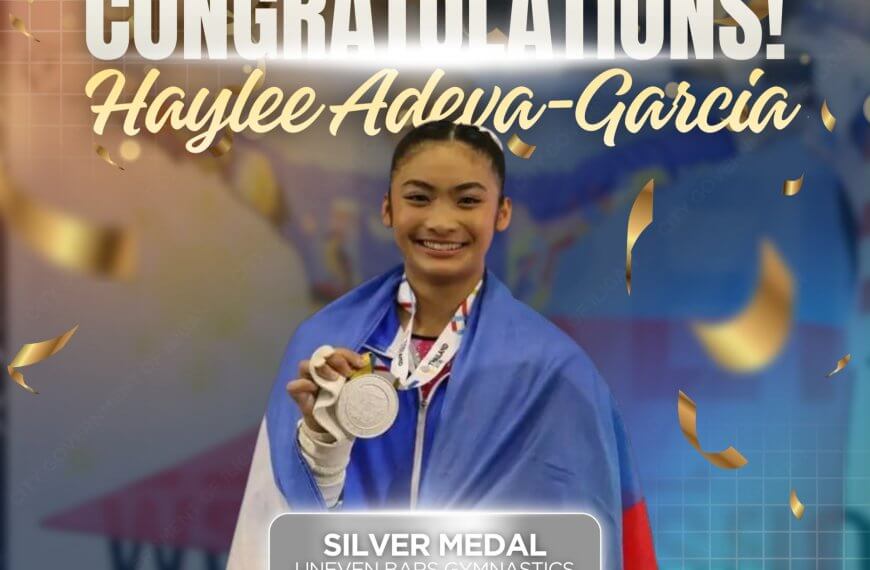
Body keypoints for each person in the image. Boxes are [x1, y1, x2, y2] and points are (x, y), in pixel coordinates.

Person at [228, 120, 656, 569]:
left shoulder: (554, 371)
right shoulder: (323, 346)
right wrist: (320, 454)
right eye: (418, 197)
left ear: (502, 212)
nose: (441, 221)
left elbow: (592, 541)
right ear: (388, 209)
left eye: (468, 200)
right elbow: (273, 533)